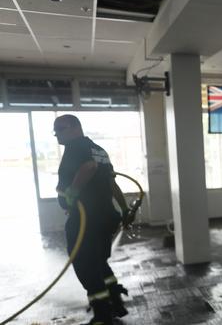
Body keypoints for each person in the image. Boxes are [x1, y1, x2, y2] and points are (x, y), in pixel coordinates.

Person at [54, 115, 130, 325]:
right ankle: (115, 300)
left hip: (86, 219)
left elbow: (88, 167)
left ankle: (102, 315)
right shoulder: (99, 150)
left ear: (72, 128)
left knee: (85, 264)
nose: (56, 135)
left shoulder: (75, 146)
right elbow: (112, 184)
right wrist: (123, 209)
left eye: (59, 130)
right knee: (98, 261)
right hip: (105, 216)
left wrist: (72, 192)